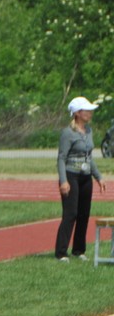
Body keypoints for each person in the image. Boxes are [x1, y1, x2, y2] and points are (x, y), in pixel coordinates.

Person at [55, 96, 106, 261]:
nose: (90, 113)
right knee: (71, 214)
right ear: (77, 113)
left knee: (84, 213)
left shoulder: (89, 131)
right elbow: (61, 158)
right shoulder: (68, 133)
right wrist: (63, 181)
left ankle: (79, 250)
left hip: (85, 177)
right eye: (87, 110)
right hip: (71, 175)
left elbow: (89, 157)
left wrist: (98, 177)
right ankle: (61, 252)